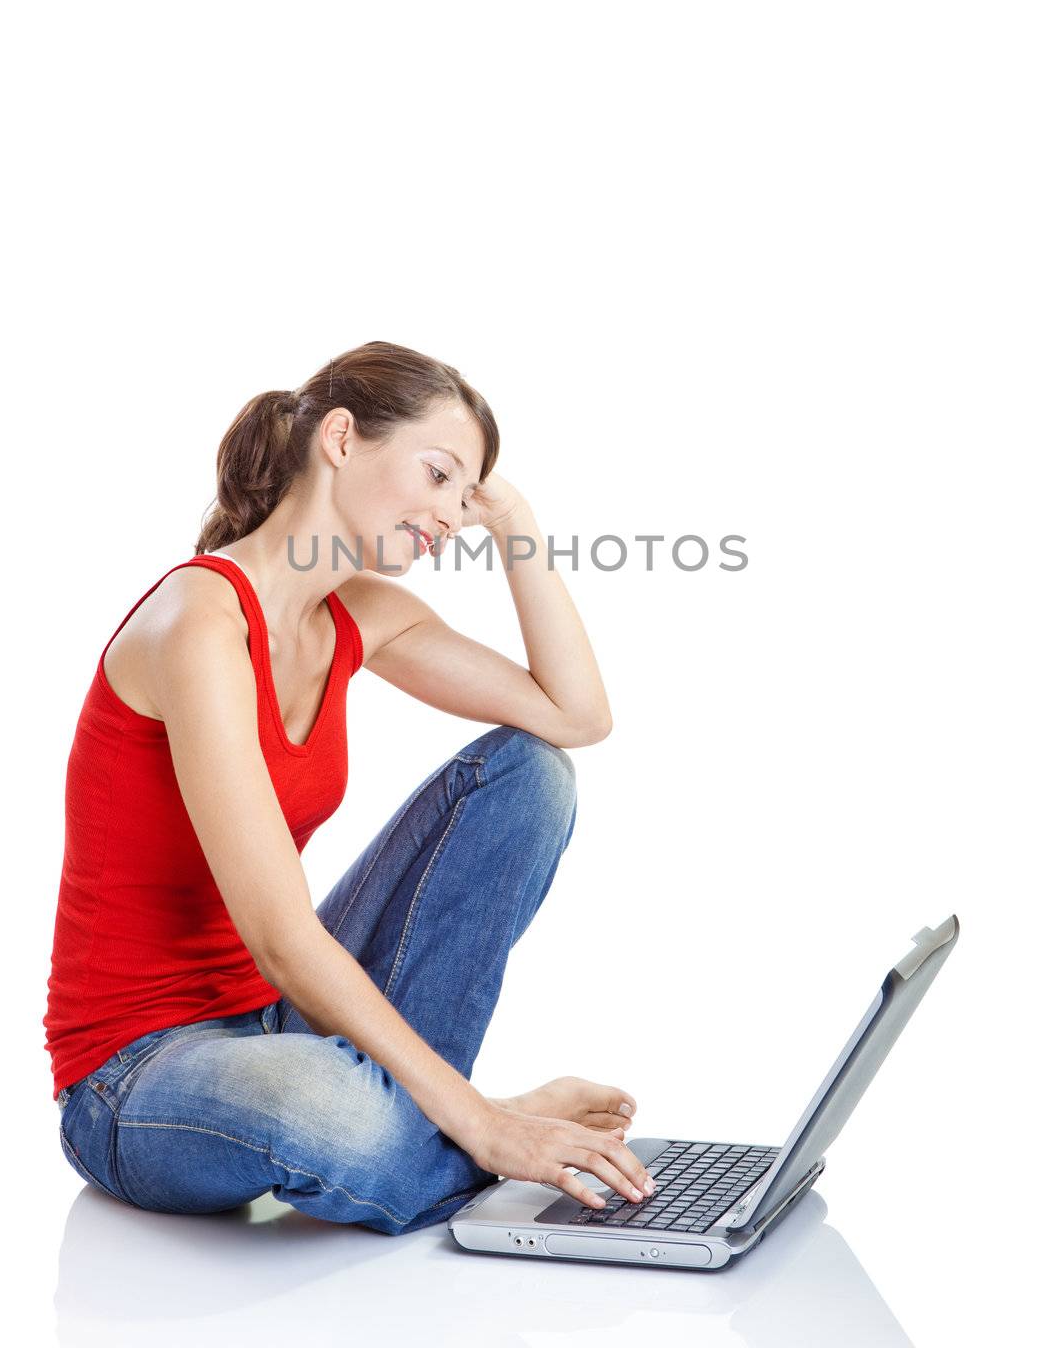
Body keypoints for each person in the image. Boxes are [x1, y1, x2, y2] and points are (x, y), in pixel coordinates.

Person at [44, 340, 655, 1233]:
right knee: (336, 1113)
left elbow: (574, 716)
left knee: (532, 775)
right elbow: (282, 937)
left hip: (275, 1023)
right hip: (135, 1076)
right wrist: (485, 1120)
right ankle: (471, 1122)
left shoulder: (360, 615)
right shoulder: (199, 623)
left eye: (465, 491)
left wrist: (513, 518)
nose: (449, 514)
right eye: (439, 474)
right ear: (339, 438)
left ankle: (434, 1129)